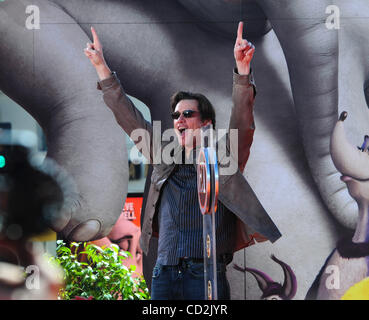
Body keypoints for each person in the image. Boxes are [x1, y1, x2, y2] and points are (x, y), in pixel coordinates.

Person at [84, 22, 281, 300]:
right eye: (176, 115)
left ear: (206, 123)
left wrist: (242, 71)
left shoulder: (223, 157)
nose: (179, 120)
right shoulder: (163, 155)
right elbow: (128, 117)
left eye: (187, 114)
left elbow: (242, 120)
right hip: (164, 271)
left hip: (205, 273)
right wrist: (101, 66)